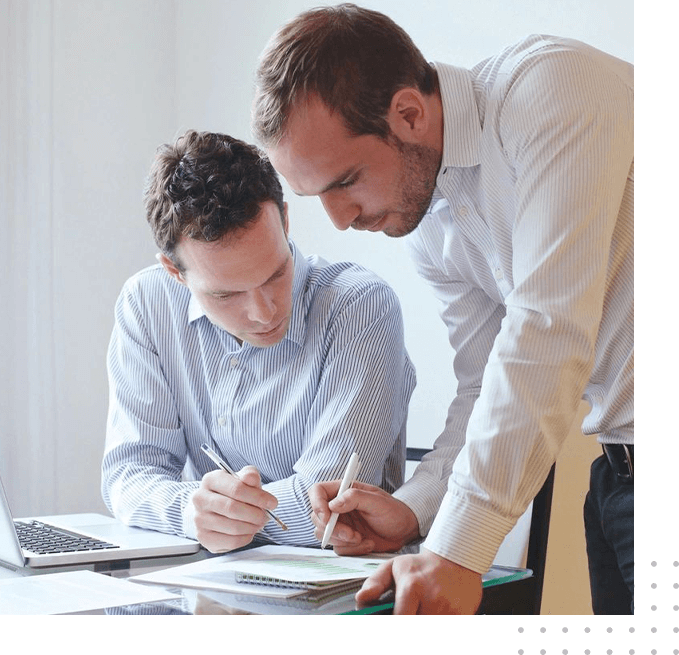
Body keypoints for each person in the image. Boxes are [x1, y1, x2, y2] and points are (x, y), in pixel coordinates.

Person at [253, 4, 634, 614]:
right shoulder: (430, 220)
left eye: (344, 181)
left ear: (408, 112)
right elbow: (484, 385)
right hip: (616, 475)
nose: (340, 220)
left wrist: (457, 551)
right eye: (317, 197)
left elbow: (548, 331)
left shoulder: (555, 90)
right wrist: (416, 509)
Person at [101, 130, 416, 554]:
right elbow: (128, 474)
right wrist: (190, 512)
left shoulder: (359, 307)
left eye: (274, 274)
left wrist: (222, 516)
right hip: (207, 586)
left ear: (284, 221)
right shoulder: (148, 302)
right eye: (226, 294)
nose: (264, 312)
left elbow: (328, 516)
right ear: (174, 272)